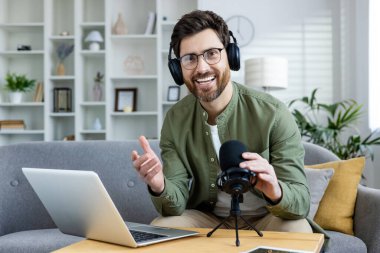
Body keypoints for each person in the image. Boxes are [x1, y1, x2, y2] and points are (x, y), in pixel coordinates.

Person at [131, 10, 312, 233]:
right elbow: (174, 206)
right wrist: (159, 185)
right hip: (208, 219)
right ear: (178, 69)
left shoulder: (274, 113)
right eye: (190, 58)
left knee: (298, 229)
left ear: (230, 56)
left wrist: (275, 189)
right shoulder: (175, 120)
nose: (202, 68)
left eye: (212, 53)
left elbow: (301, 202)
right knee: (162, 226)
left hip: (268, 218)